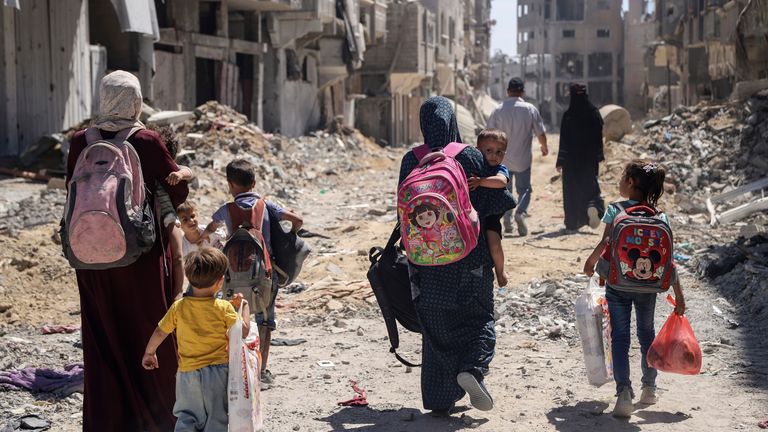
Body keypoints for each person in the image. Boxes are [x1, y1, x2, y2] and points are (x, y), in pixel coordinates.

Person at [66, 70, 188, 431]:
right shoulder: (146, 140)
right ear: (135, 100)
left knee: (102, 336)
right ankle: (156, 419)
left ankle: (107, 421)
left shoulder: (79, 141)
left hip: (89, 255)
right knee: (149, 332)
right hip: (141, 258)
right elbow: (176, 192)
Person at [398, 96, 515, 414]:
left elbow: (403, 215)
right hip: (470, 259)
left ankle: (438, 398)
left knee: (436, 329)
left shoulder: (411, 160)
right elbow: (493, 204)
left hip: (427, 263)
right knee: (478, 320)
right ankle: (472, 369)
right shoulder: (470, 157)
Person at [582, 160, 686, 418]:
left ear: (630, 183)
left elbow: (606, 242)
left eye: (622, 178)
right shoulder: (660, 216)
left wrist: (591, 262)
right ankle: (649, 388)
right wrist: (679, 294)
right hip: (648, 288)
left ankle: (624, 393)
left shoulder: (616, 209)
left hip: (618, 284)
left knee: (620, 338)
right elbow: (668, 258)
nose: (619, 182)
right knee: (646, 333)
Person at [202, 159, 303, 388]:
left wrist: (203, 237)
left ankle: (232, 366)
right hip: (265, 274)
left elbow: (210, 228)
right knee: (265, 320)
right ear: (254, 182)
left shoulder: (226, 209)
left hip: (232, 275)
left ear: (229, 184)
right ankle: (262, 370)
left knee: (231, 317)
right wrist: (289, 237)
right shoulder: (267, 205)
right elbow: (297, 220)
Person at [142, 247, 250, 432]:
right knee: (216, 418)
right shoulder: (224, 308)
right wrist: (245, 307)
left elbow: (160, 332)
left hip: (187, 374)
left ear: (190, 279)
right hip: (218, 373)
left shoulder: (179, 307)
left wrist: (150, 353)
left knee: (187, 417)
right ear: (220, 282)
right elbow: (243, 332)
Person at [486, 77, 548, 236]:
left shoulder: (498, 110)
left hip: (502, 160)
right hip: (523, 160)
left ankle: (507, 222)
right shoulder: (530, 109)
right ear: (523, 92)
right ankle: (520, 212)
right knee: (525, 189)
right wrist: (544, 147)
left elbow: (487, 135)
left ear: (508, 92)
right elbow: (540, 132)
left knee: (505, 190)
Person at [149, 125, 195, 299]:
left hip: (168, 216)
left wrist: (179, 174)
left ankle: (177, 294)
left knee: (177, 255)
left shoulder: (170, 168)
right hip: (153, 215)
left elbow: (189, 171)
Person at [556, 83, 605, 232]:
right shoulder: (594, 113)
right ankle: (593, 206)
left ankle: (572, 222)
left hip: (571, 160)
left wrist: (560, 160)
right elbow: (598, 137)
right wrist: (599, 155)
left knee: (571, 190)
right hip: (589, 159)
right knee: (590, 187)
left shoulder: (568, 115)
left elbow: (563, 140)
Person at [467, 129, 513, 287]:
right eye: (489, 151)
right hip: (473, 214)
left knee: (494, 243)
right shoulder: (474, 166)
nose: (494, 155)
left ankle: (500, 272)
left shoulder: (500, 170)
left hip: (491, 215)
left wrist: (480, 181)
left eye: (499, 152)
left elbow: (501, 182)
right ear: (478, 150)